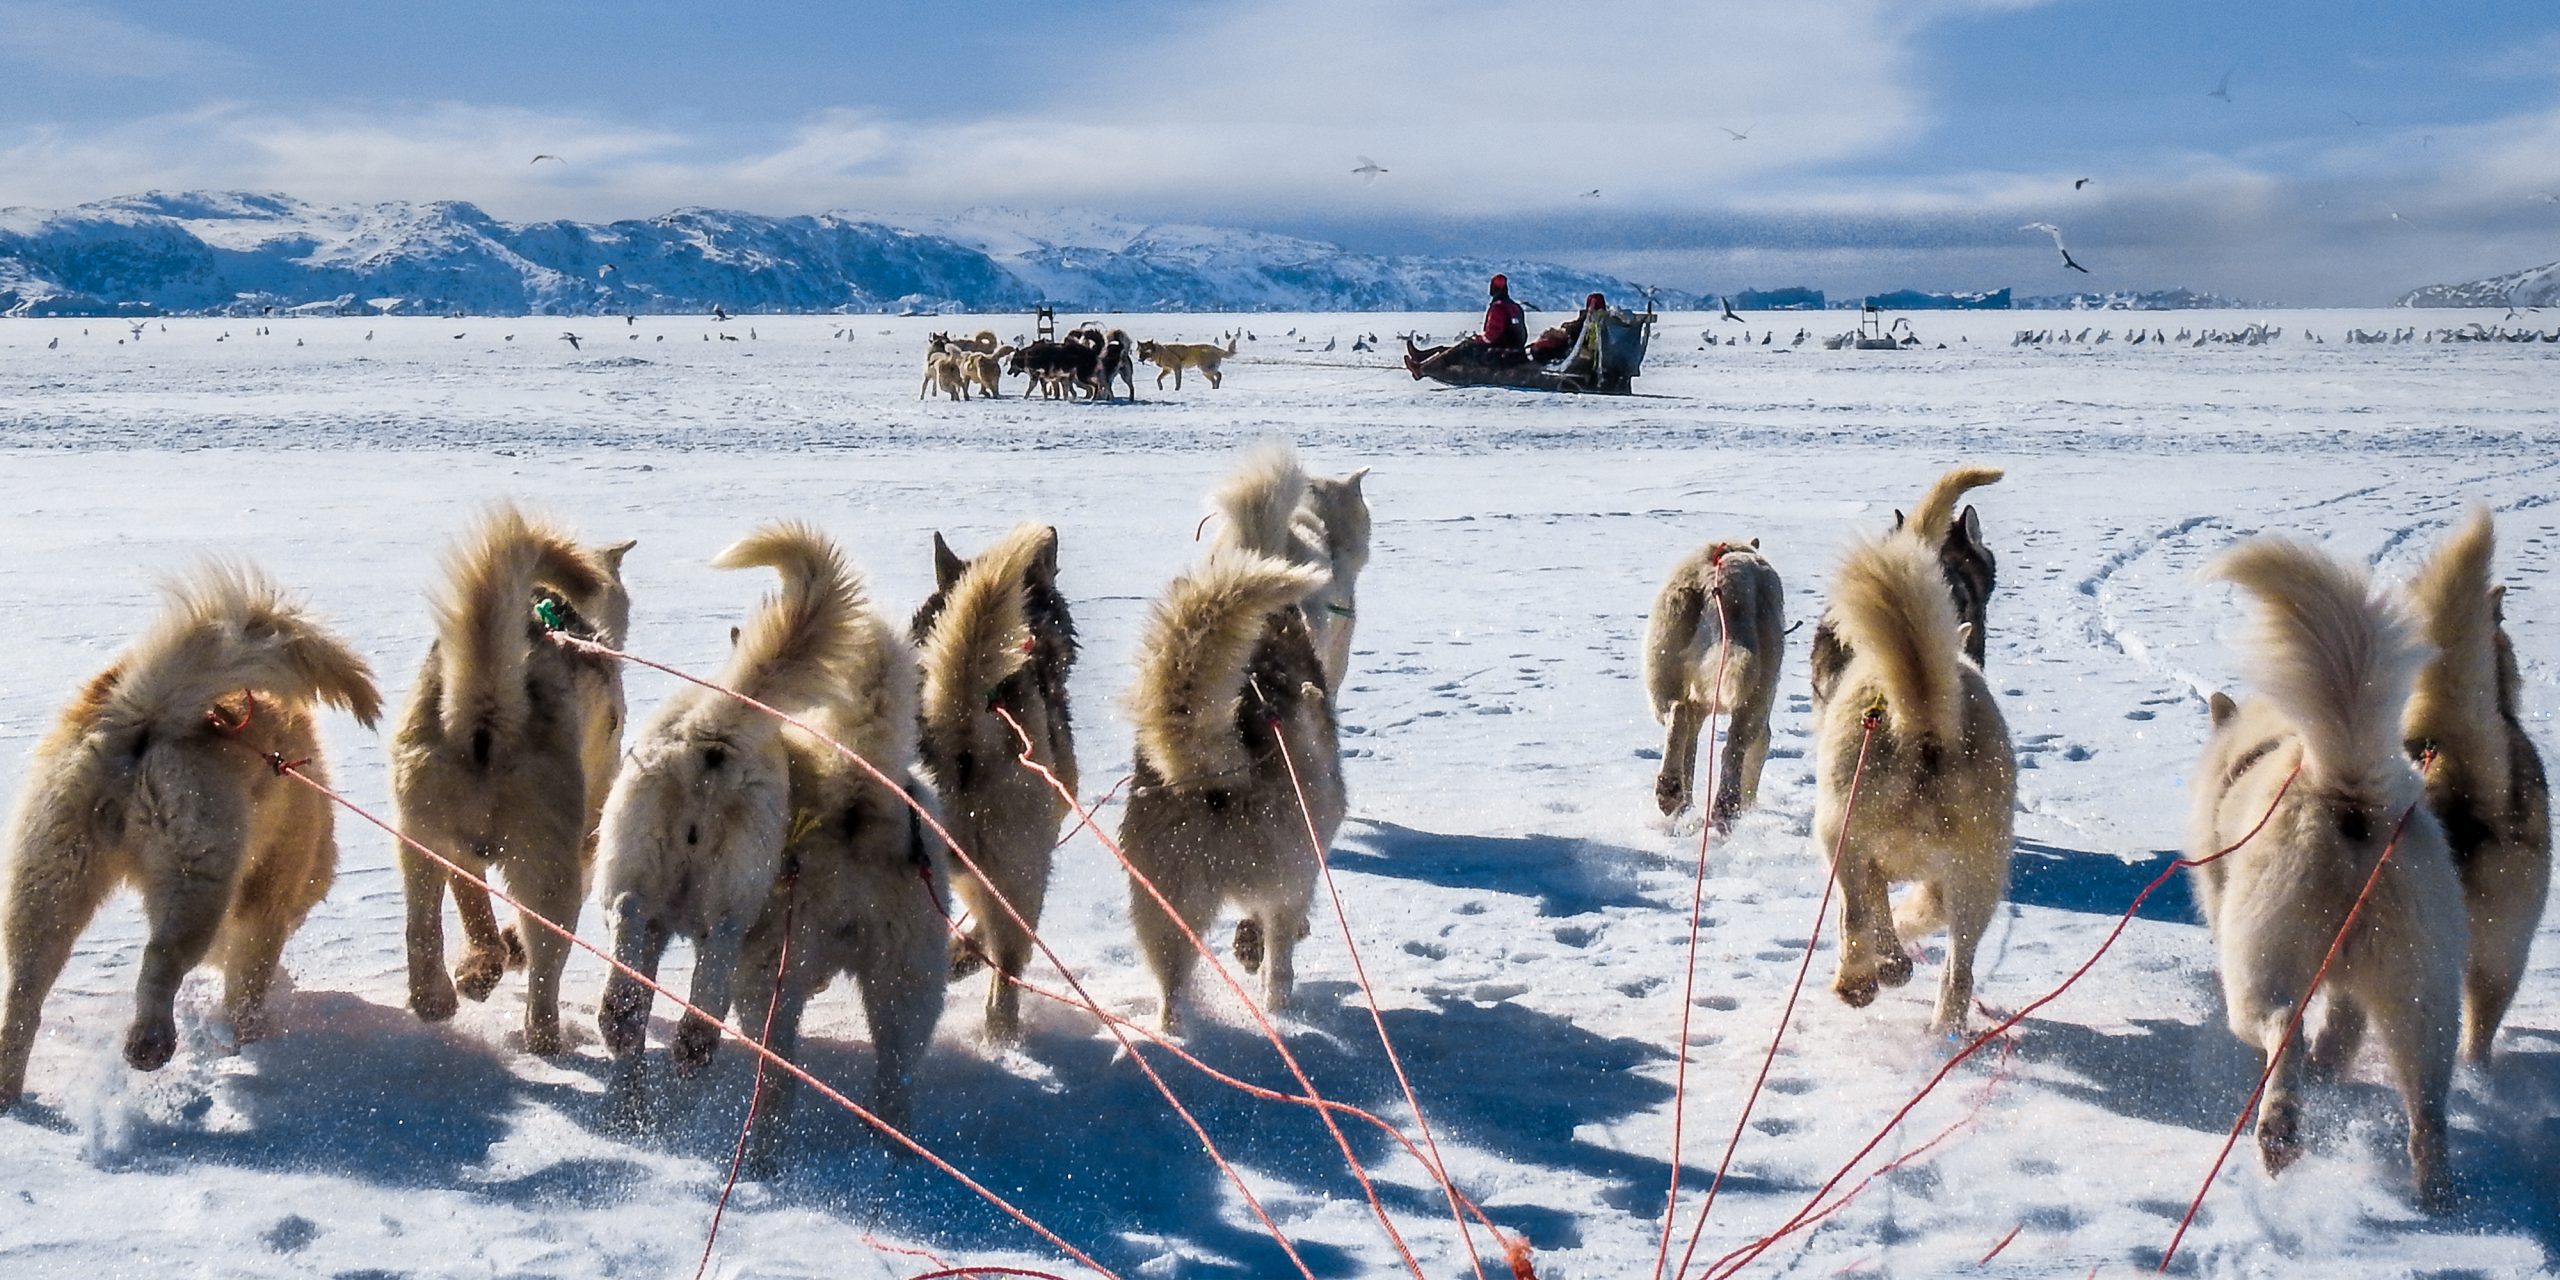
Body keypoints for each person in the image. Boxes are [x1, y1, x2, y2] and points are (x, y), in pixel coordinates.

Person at [1406, 274, 1530, 378]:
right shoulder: (1514, 306)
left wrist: (1477, 339)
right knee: (1457, 349)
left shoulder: (1498, 307)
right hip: (1512, 350)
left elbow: (1491, 336)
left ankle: (1421, 370)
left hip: (1497, 352)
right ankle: (1421, 357)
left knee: (1462, 349)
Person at [1528, 292, 1607, 362]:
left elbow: (1575, 330)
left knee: (1541, 347)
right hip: (1583, 346)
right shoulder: (1606, 320)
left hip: (1575, 347)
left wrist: (1561, 330)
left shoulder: (1588, 318)